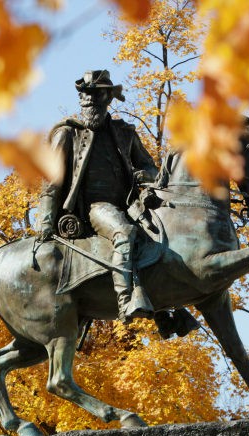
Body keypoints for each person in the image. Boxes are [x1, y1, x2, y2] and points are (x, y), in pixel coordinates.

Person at [37, 70, 158, 322]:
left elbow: (150, 168)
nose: (88, 101)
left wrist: (144, 177)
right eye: (84, 95)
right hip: (94, 207)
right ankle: (126, 301)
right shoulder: (68, 133)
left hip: (131, 204)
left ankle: (169, 312)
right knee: (123, 233)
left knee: (168, 238)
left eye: (94, 95)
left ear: (108, 99)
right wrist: (45, 221)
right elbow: (52, 180)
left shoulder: (124, 132)